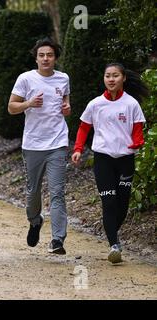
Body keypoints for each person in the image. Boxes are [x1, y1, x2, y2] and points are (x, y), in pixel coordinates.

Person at [71, 63, 148, 264]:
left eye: (115, 76)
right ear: (104, 79)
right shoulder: (95, 104)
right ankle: (114, 245)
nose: (111, 79)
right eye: (107, 76)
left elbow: (138, 127)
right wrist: (78, 149)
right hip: (103, 158)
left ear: (123, 78)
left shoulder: (131, 104)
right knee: (109, 201)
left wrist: (138, 141)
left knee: (122, 204)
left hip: (125, 159)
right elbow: (83, 128)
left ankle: (112, 233)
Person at [8, 38, 71, 255]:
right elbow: (11, 107)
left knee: (57, 192)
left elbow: (65, 103)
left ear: (55, 58)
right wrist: (29, 103)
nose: (46, 58)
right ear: (36, 58)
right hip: (33, 144)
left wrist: (67, 107)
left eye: (50, 55)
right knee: (33, 191)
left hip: (58, 143)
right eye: (42, 55)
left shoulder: (63, 78)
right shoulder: (25, 79)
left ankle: (57, 240)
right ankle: (35, 221)